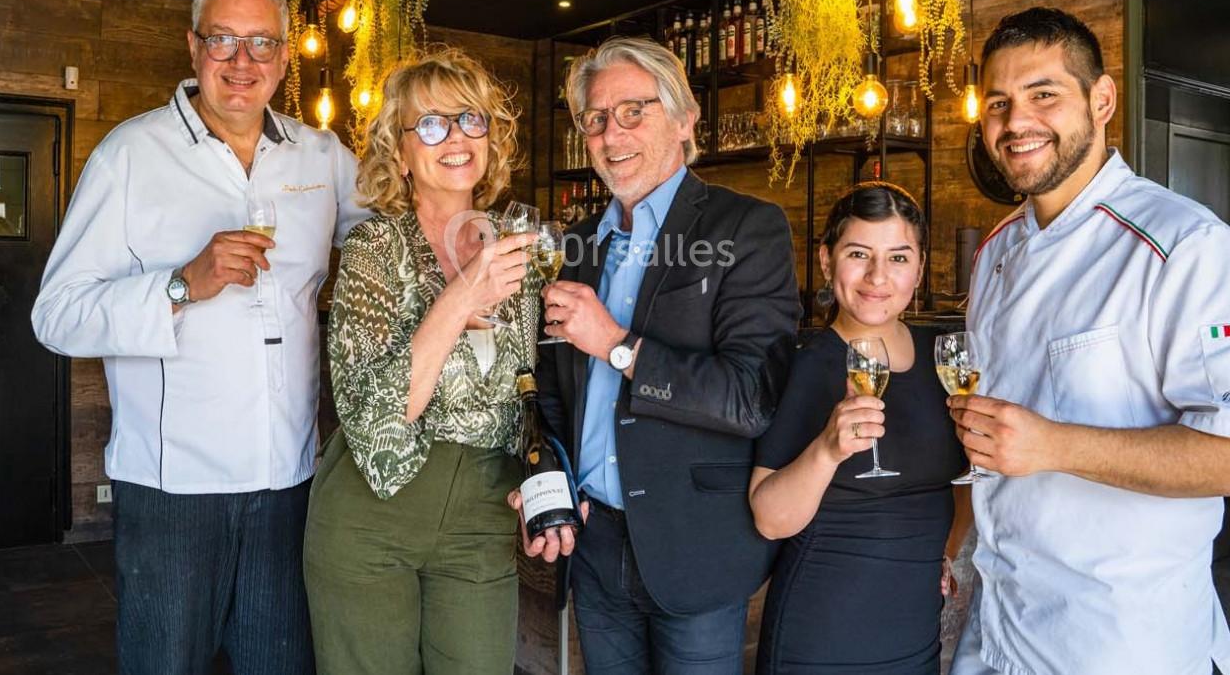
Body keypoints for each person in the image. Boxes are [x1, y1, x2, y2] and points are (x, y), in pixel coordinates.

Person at [31, 0, 366, 674]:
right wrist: (181, 284)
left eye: (262, 43)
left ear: (283, 55)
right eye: (223, 41)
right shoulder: (130, 153)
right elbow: (56, 316)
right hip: (173, 490)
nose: (243, 63)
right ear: (193, 47)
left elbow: (396, 238)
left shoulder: (322, 156)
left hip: (287, 481)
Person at [948, 7, 1230, 675]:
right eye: (998, 103)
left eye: (1044, 94)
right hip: (996, 627)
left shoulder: (1186, 245)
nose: (1016, 123)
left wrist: (1053, 446)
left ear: (1101, 101)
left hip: (1117, 641)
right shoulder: (994, 253)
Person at [516, 35, 799, 674]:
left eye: (632, 112)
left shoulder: (744, 228)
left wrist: (617, 346)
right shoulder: (579, 243)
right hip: (593, 543)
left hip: (694, 546)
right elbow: (558, 392)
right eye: (596, 119)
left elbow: (751, 398)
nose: (611, 135)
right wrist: (550, 481)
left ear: (684, 120)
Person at [303, 49, 540, 675]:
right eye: (431, 125)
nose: (456, 138)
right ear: (400, 152)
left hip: (484, 516)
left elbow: (530, 389)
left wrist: (542, 483)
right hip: (372, 515)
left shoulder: (519, 247)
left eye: (470, 119)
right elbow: (378, 426)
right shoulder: (374, 249)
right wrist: (461, 296)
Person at [749, 182, 971, 675]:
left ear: (918, 266)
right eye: (858, 254)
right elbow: (769, 516)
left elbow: (961, 478)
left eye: (897, 257)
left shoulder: (945, 358)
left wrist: (944, 550)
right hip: (822, 635)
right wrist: (827, 451)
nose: (877, 276)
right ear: (827, 262)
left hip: (915, 632)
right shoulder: (802, 364)